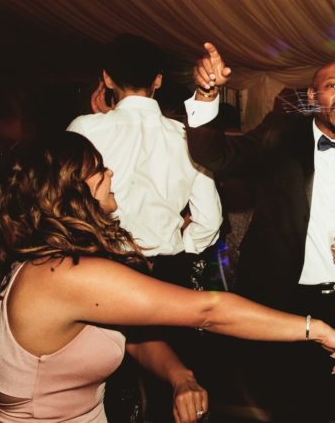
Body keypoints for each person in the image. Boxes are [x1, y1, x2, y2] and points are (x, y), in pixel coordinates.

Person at [0, 132, 335, 422]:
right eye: (99, 168)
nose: (110, 173)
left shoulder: (47, 263)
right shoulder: (64, 275)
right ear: (71, 188)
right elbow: (208, 311)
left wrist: (179, 375)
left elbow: (129, 335)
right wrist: (316, 329)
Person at [184, 43, 335, 421]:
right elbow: (216, 155)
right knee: (287, 405)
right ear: (313, 96)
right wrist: (206, 94)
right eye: (332, 86)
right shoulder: (279, 140)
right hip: (289, 304)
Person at [67, 34, 224, 419]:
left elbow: (66, 205)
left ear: (107, 79)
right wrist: (180, 244)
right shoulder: (185, 136)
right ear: (158, 80)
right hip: (168, 274)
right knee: (173, 388)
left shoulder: (84, 129)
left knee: (108, 388)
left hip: (102, 272)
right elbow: (210, 219)